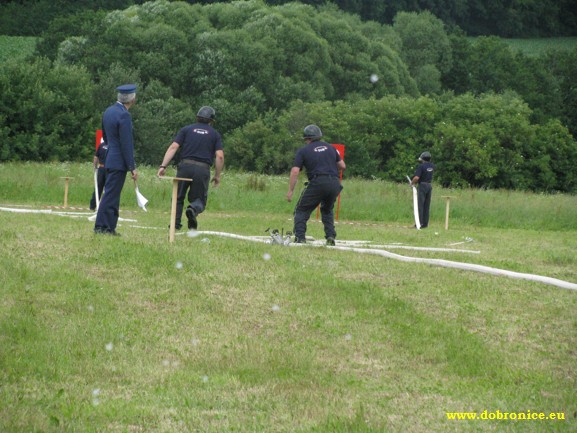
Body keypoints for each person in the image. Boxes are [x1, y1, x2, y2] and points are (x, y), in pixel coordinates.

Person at [157, 106, 224, 230]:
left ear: (197, 118)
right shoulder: (215, 134)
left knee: (178, 196)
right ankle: (193, 209)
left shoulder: (186, 130)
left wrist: (163, 166)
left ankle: (175, 224)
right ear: (211, 121)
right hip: (202, 169)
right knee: (199, 199)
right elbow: (219, 156)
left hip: (185, 167)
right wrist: (217, 175)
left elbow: (173, 147)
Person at [287, 124, 346, 245]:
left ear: (307, 138)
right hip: (334, 182)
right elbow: (342, 166)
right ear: (319, 136)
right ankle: (330, 236)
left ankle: (300, 238)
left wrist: (290, 190)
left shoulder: (303, 150)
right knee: (327, 209)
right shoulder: (330, 147)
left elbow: (295, 171)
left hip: (318, 181)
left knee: (301, 210)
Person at [94, 84, 138, 235]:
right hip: (119, 161)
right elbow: (127, 143)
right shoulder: (124, 115)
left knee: (110, 193)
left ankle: (106, 226)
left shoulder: (108, 111)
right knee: (111, 195)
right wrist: (132, 166)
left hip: (109, 157)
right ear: (132, 99)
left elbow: (105, 137)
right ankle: (104, 227)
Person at [411, 151, 435, 228]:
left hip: (422, 186)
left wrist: (412, 183)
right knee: (426, 206)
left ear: (423, 159)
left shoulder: (421, 166)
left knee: (420, 205)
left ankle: (418, 223)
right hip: (429, 185)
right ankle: (425, 224)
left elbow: (416, 177)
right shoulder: (432, 166)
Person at [89, 138, 108, 211]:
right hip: (109, 169)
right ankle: (105, 206)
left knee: (98, 188)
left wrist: (95, 166)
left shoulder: (101, 145)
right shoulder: (112, 146)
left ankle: (92, 206)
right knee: (108, 189)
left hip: (101, 168)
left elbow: (96, 157)